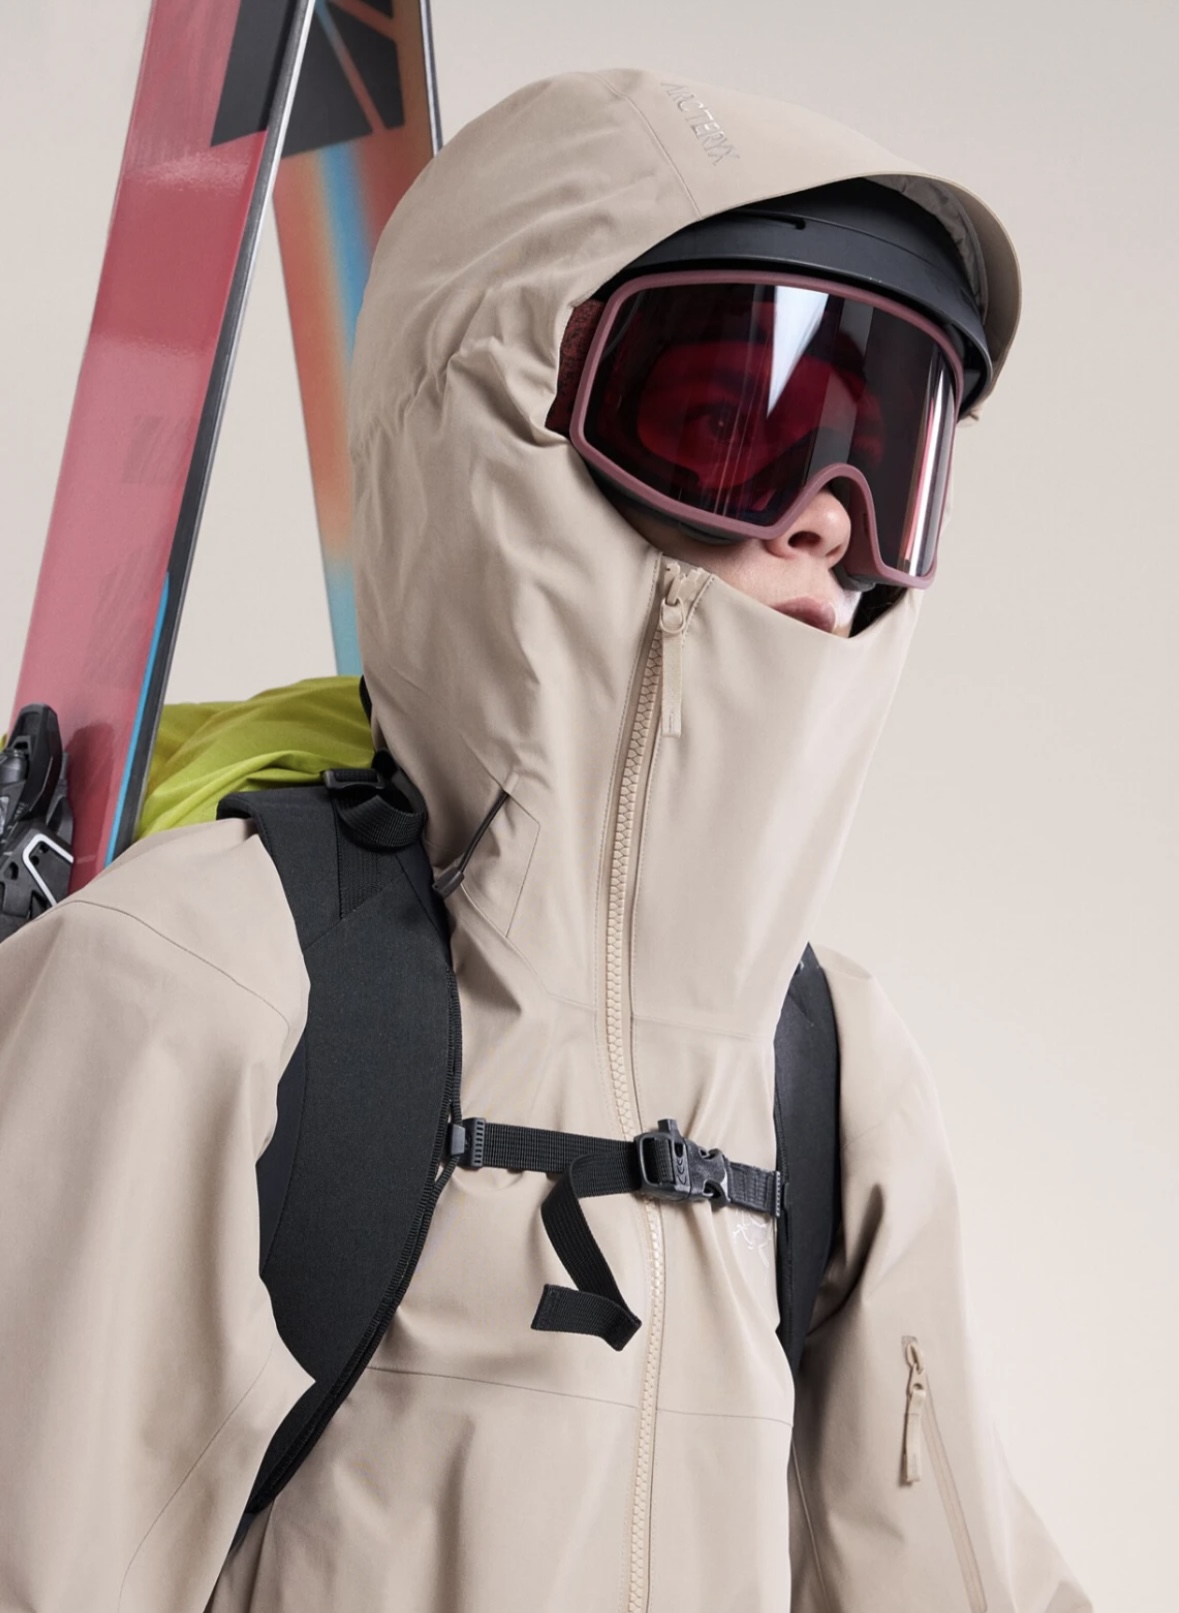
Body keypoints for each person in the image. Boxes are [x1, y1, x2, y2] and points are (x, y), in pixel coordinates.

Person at [0, 69, 1090, 1613]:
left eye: (886, 442)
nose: (830, 517)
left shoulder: (835, 1076)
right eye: (732, 424)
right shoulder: (203, 984)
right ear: (506, 415)